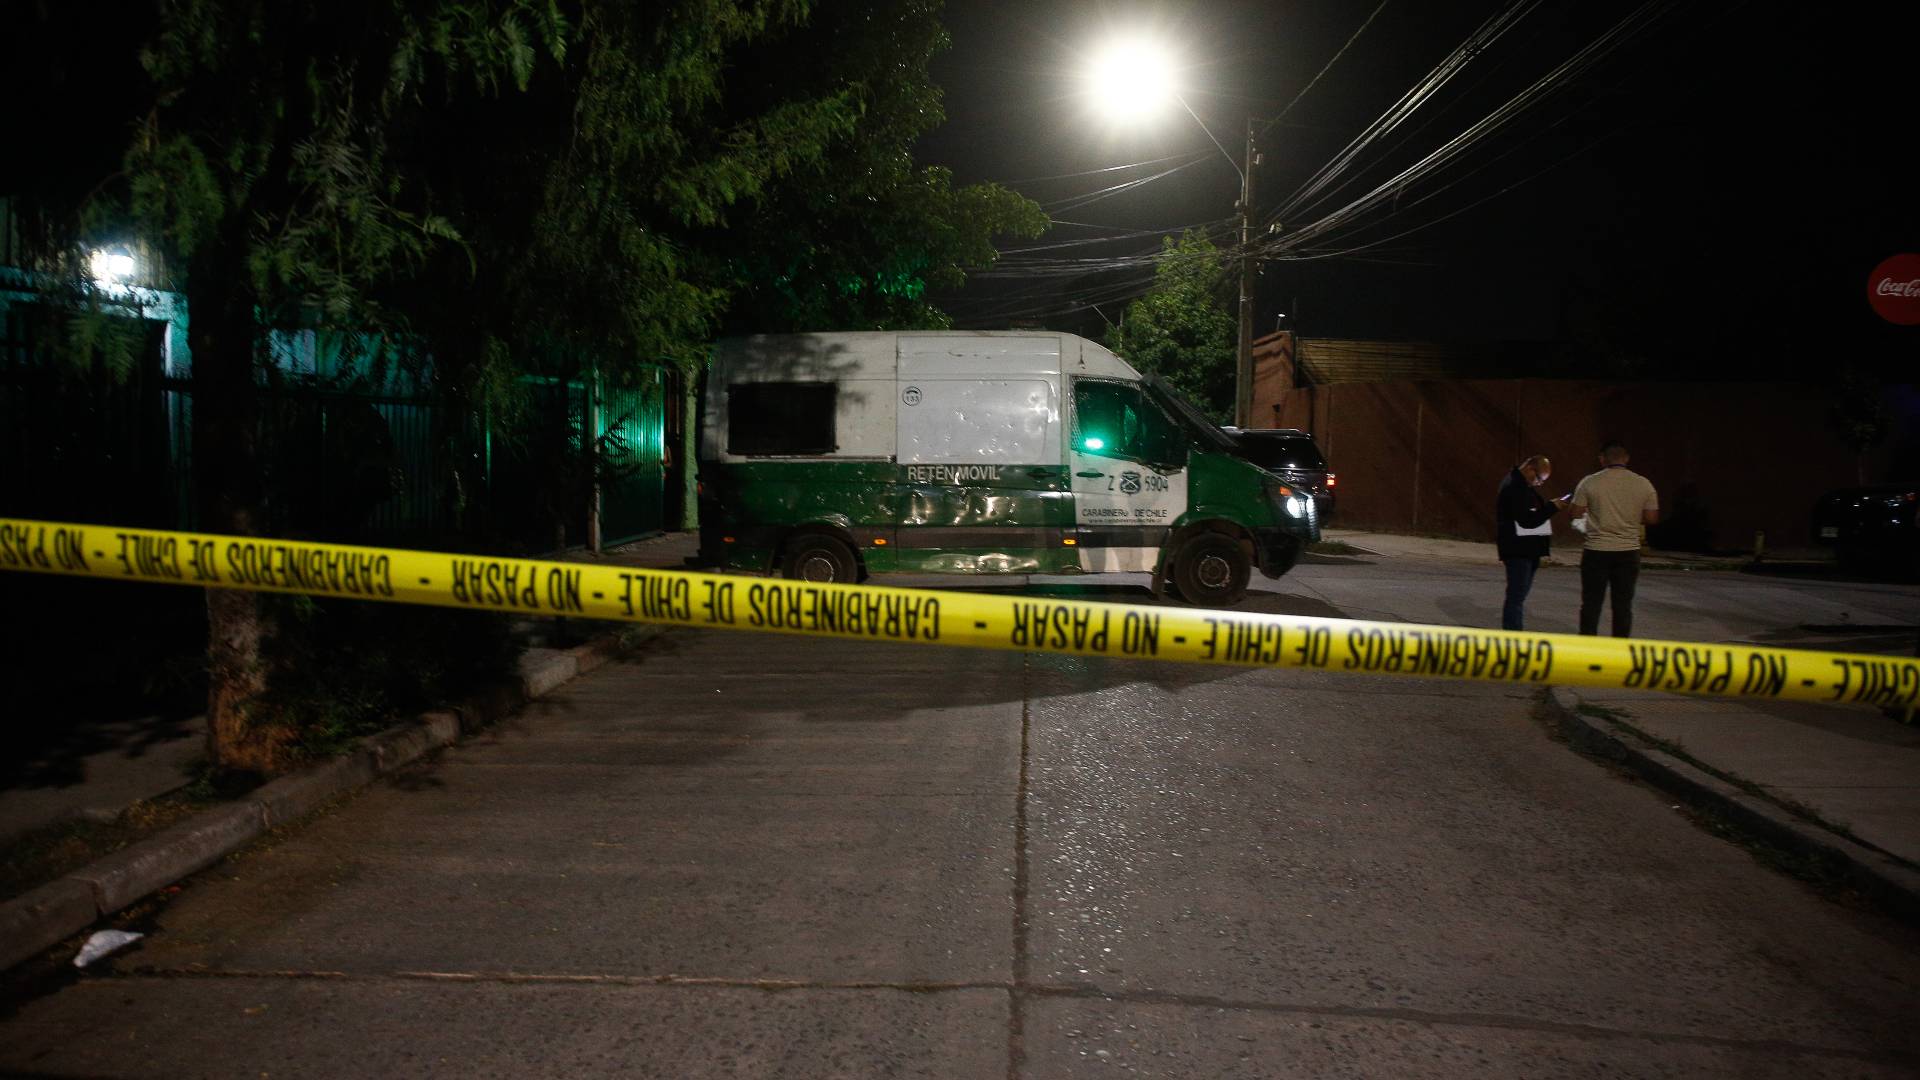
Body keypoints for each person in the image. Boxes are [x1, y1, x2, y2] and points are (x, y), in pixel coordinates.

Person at [1569, 441, 1659, 637]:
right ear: (1626, 459)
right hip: (1628, 551)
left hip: (1596, 550)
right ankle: (1620, 648)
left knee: (1591, 603)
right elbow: (1652, 518)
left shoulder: (1590, 482)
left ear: (1603, 459)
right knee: (1623, 605)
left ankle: (1587, 645)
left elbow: (1575, 513)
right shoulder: (1643, 483)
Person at [1495, 454, 1564, 631]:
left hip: (1526, 550)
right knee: (1516, 597)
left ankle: (1514, 633)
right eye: (1540, 479)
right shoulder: (1514, 486)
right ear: (1530, 469)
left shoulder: (1522, 485)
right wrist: (1552, 508)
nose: (1539, 483)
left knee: (1518, 596)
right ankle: (1513, 637)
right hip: (1518, 550)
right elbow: (1527, 520)